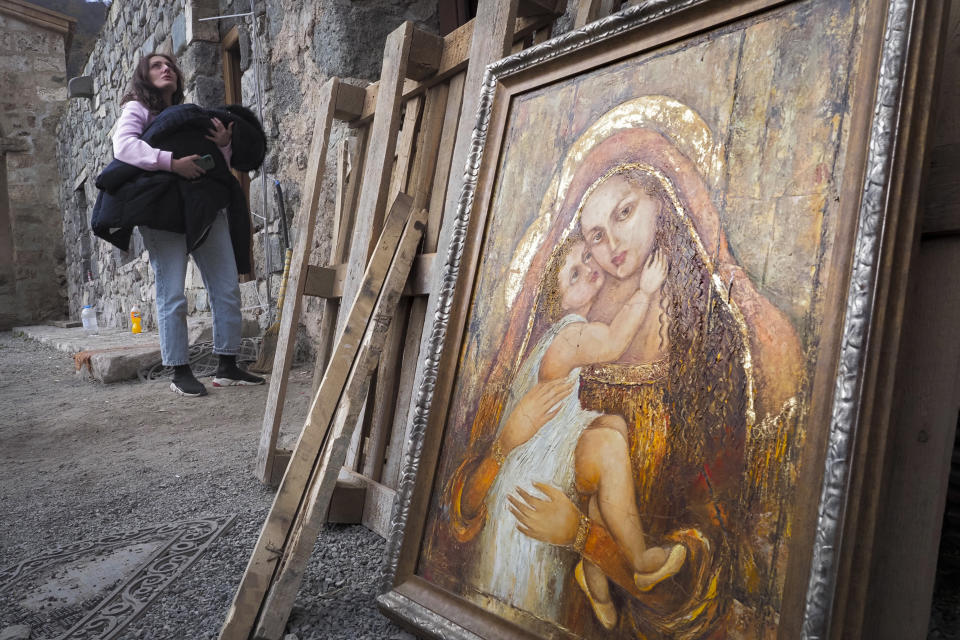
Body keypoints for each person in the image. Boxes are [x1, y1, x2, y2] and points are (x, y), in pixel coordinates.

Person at [448, 230, 685, 625]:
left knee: (611, 428)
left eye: (587, 261)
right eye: (574, 275)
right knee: (609, 447)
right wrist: (644, 291)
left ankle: (592, 571)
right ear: (559, 303)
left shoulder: (554, 338)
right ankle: (640, 559)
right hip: (535, 463)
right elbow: (610, 342)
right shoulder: (569, 333)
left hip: (554, 442)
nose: (589, 269)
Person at [110, 53, 264, 397]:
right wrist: (171, 163)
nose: (166, 69)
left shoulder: (192, 116)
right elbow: (123, 147)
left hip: (205, 207)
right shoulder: (137, 109)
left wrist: (224, 146)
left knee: (226, 287)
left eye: (170, 66)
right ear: (143, 77)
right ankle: (179, 371)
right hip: (163, 211)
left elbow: (213, 167)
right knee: (172, 294)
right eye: (156, 65)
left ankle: (228, 365)